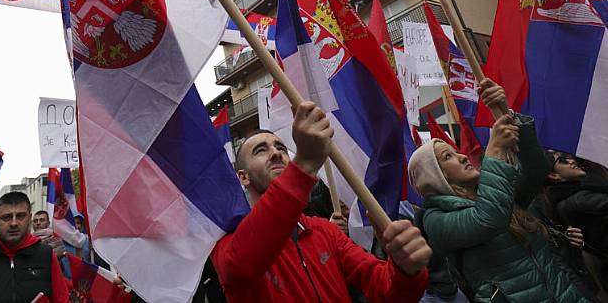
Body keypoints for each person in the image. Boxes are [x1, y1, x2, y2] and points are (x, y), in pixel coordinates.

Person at [211, 101, 432, 302]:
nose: (276, 154)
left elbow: (385, 289)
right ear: (243, 177)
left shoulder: (324, 231)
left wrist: (405, 269)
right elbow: (240, 268)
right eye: (261, 150)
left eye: (281, 148)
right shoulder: (228, 242)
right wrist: (305, 163)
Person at [409, 78, 594, 302]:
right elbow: (488, 219)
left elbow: (536, 171)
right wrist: (494, 152)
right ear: (436, 177)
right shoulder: (435, 219)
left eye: (455, 151)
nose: (462, 156)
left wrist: (505, 114)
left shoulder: (497, 189)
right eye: (447, 157)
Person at [543, 150, 608, 298]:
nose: (571, 161)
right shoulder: (577, 200)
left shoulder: (581, 188)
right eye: (562, 161)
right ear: (554, 176)